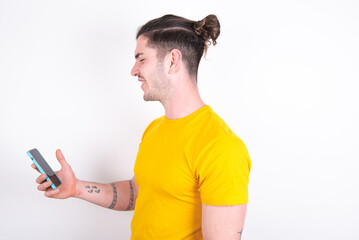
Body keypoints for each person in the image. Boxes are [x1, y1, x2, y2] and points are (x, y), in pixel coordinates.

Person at [32, 14, 251, 240]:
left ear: (172, 61)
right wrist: (77, 187)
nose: (134, 70)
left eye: (141, 59)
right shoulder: (155, 129)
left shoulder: (221, 147)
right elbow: (139, 193)